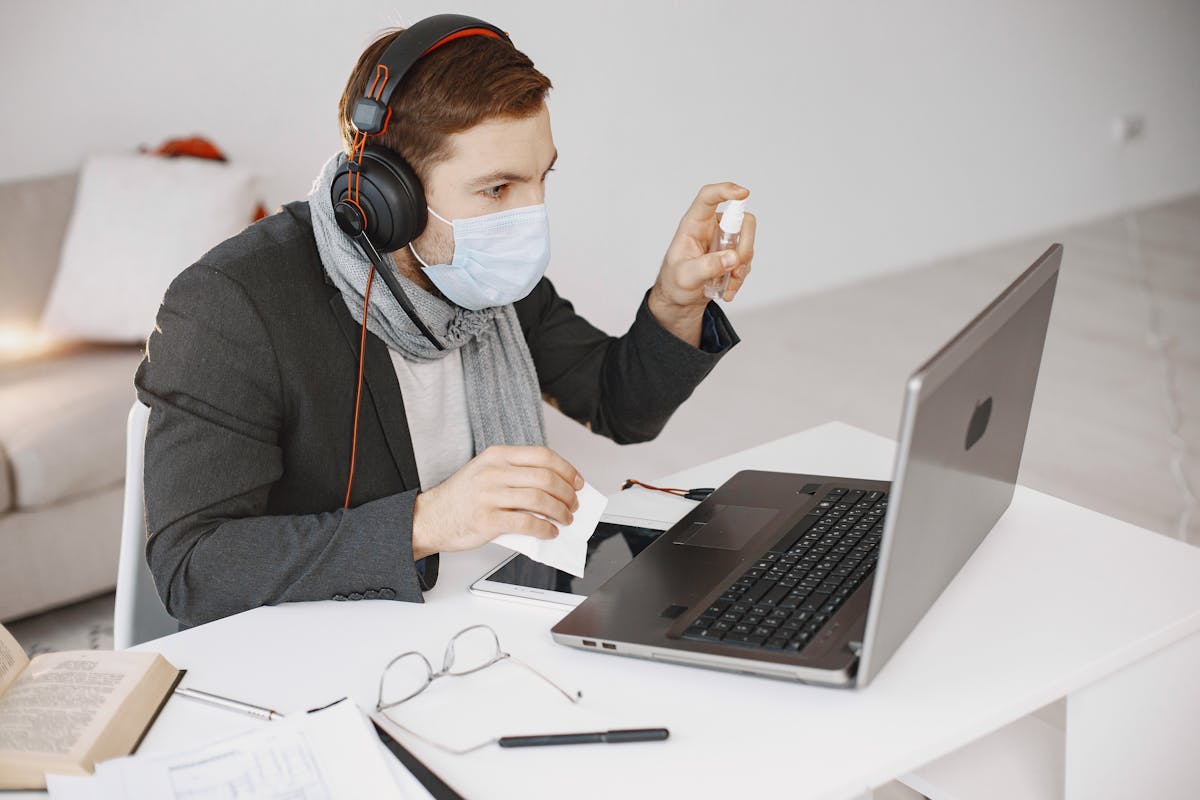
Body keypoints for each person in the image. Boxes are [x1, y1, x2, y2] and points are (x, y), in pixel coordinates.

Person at [135, 15, 756, 628]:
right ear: (387, 197)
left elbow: (621, 405)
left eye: (542, 179)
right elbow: (194, 568)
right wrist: (428, 522)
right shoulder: (229, 305)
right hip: (331, 641)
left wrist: (677, 306)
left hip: (482, 610)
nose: (531, 217)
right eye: (497, 190)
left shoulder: (491, 282)